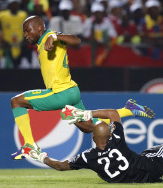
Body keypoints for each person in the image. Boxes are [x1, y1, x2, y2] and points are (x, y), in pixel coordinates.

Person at [10, 15, 155, 160]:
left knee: (16, 102)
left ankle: (29, 146)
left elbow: (76, 40)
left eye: (27, 31)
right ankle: (128, 110)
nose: (25, 35)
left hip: (60, 93)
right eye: (24, 32)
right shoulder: (42, 42)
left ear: (39, 28)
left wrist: (54, 37)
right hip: (72, 91)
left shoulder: (50, 36)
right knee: (89, 127)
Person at [25, 105, 163, 184]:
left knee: (148, 152)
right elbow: (113, 114)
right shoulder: (117, 140)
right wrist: (84, 114)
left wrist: (40, 156)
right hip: (149, 171)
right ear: (109, 134)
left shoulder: (87, 157)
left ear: (94, 138)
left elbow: (60, 166)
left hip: (128, 179)